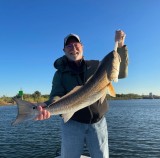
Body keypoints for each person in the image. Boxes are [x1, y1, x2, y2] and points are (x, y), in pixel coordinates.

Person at [36, 30, 128, 158]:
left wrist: (120, 46)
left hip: (98, 123)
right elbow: (56, 95)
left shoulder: (97, 65)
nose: (73, 48)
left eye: (76, 44)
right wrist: (47, 106)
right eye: (69, 46)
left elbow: (120, 73)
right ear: (64, 50)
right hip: (72, 123)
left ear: (82, 46)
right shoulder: (60, 74)